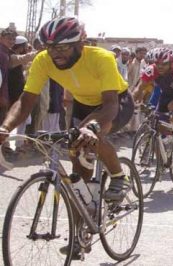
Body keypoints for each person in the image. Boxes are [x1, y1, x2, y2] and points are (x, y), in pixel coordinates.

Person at [0, 17, 134, 258]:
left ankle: (118, 175)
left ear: (80, 44)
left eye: (62, 47)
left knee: (92, 134)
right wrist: (5, 127)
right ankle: (81, 231)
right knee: (76, 176)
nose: (55, 54)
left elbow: (110, 105)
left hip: (114, 103)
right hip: (83, 104)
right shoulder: (43, 60)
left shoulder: (101, 58)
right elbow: (26, 101)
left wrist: (93, 127)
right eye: (50, 47)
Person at [133, 47, 173, 152]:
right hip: (166, 94)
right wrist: (129, 103)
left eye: (164, 64)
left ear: (172, 63)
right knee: (158, 121)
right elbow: (139, 88)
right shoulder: (151, 69)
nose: (160, 66)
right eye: (157, 63)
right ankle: (164, 151)